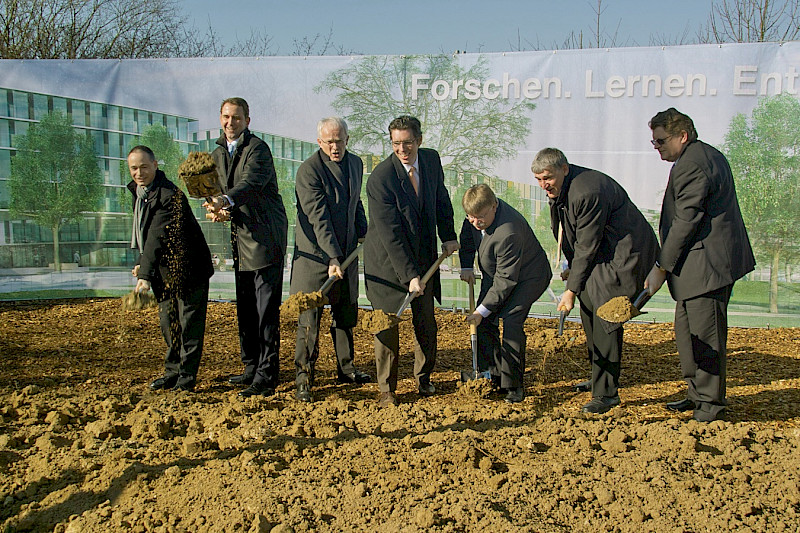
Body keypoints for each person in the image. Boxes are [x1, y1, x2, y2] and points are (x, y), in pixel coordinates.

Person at [645, 108, 755, 422]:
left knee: (706, 336)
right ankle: (697, 396)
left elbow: (685, 221)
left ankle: (711, 405)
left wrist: (661, 266)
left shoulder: (694, 163)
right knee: (688, 331)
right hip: (697, 267)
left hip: (707, 266)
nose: (657, 146)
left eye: (661, 140)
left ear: (683, 135)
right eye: (654, 142)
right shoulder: (697, 157)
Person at [532, 148, 659, 414]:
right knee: (588, 307)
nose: (544, 185)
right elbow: (572, 237)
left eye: (548, 177)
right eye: (539, 179)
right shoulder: (562, 190)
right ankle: (597, 376)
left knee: (606, 314)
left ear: (564, 169)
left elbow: (587, 245)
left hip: (625, 254)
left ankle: (606, 394)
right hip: (603, 254)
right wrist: (573, 274)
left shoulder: (587, 191)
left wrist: (570, 290)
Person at [363, 115, 459, 407]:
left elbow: (441, 199)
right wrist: (409, 276)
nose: (402, 149)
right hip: (387, 263)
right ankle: (386, 390)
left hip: (424, 256)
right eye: (395, 144)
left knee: (426, 323)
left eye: (407, 143)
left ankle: (423, 379)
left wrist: (449, 235)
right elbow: (390, 233)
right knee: (388, 326)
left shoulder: (430, 161)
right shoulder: (381, 178)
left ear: (419, 139)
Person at [204, 97, 288, 399]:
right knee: (246, 309)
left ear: (247, 121)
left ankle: (267, 375)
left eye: (236, 118)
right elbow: (218, 190)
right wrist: (217, 206)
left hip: (266, 239)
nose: (230, 123)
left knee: (266, 311)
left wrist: (226, 201)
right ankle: (251, 366)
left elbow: (251, 184)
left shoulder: (258, 150)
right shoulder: (217, 152)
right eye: (226, 117)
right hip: (240, 239)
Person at [290, 117, 370, 403]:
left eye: (339, 140)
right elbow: (318, 217)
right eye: (329, 142)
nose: (335, 147)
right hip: (314, 258)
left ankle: (346, 369)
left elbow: (354, 201)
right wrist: (332, 257)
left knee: (345, 314)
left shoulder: (356, 164)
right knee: (309, 320)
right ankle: (303, 379)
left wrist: (363, 231)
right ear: (319, 142)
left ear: (348, 138)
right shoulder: (309, 171)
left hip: (345, 255)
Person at [127, 145, 214, 392]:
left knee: (189, 325)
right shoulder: (140, 192)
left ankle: (186, 377)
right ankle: (172, 373)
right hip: (164, 272)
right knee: (169, 324)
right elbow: (145, 233)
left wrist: (144, 274)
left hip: (190, 269)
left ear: (155, 165)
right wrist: (144, 264)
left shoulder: (169, 195)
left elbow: (157, 235)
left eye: (144, 166)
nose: (139, 172)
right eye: (134, 168)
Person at [462, 184, 552, 403]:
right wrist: (466, 266)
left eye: (480, 218)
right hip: (497, 275)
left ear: (494, 205)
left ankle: (513, 386)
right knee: (484, 320)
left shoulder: (508, 231)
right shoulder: (476, 215)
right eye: (471, 217)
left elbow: (506, 281)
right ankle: (491, 375)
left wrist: (482, 310)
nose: (475, 222)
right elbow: (467, 238)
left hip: (528, 277)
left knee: (511, 320)